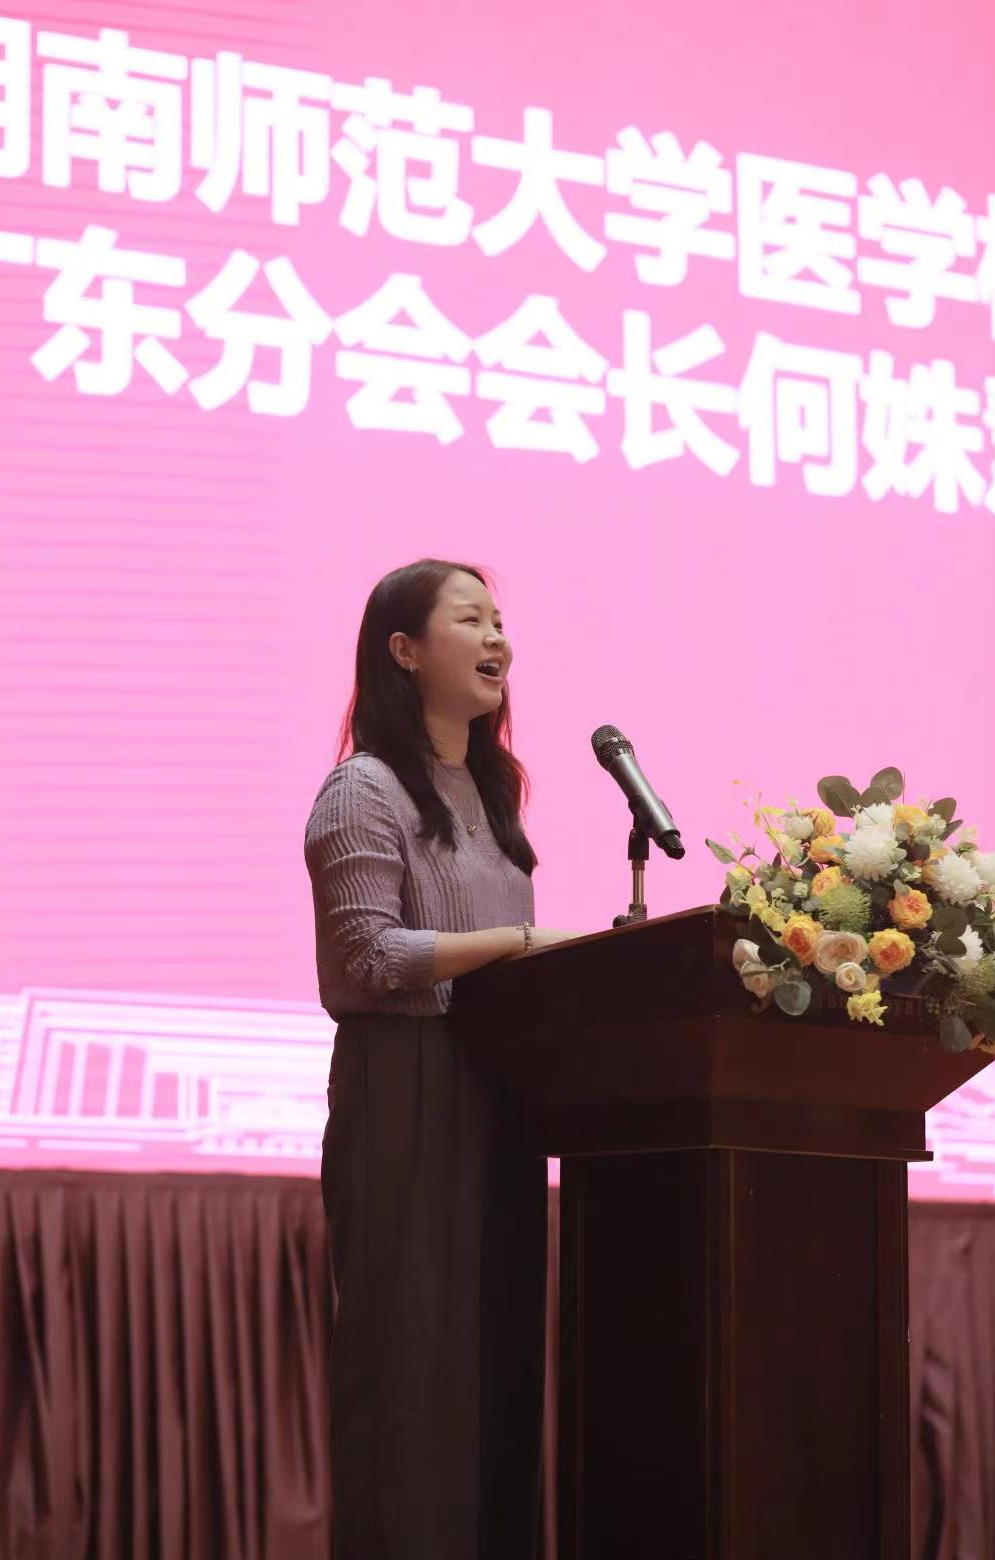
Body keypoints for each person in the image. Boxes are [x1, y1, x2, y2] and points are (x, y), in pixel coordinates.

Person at [304, 558, 576, 1560]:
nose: (496, 637)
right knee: (411, 1375)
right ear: (404, 650)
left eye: (499, 619)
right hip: (403, 1092)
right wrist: (520, 943)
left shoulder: (492, 795)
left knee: (494, 1372)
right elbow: (368, 958)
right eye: (470, 619)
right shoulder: (363, 790)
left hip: (498, 1094)